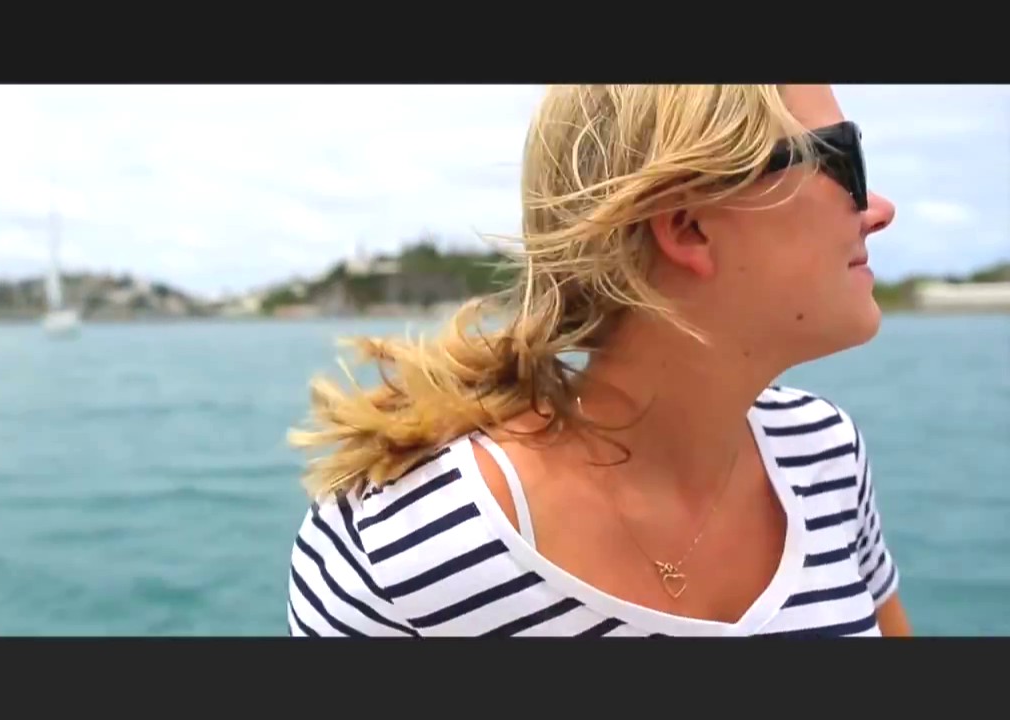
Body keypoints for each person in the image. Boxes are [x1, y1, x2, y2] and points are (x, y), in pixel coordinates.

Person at [284, 84, 911, 637]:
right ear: (687, 226)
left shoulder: (824, 454)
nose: (880, 209)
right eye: (842, 161)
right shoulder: (398, 555)